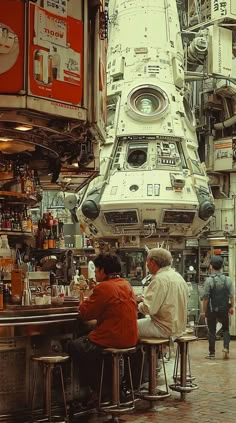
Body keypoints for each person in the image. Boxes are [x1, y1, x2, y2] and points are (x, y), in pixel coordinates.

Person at [67, 254, 138, 402]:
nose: (95, 273)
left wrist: (87, 297)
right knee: (95, 350)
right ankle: (116, 389)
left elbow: (84, 313)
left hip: (112, 338)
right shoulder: (126, 284)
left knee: (75, 346)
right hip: (130, 339)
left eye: (97, 270)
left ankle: (100, 390)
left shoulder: (104, 287)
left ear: (103, 270)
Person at [137, 247, 189, 337]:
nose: (147, 265)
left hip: (163, 328)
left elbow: (149, 309)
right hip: (179, 328)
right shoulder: (178, 277)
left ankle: (140, 351)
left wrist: (139, 303)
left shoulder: (159, 279)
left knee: (129, 327)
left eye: (147, 262)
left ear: (153, 262)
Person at [202, 255, 234, 359]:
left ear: (211, 266)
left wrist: (204, 311)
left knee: (212, 331)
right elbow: (232, 295)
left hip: (212, 309)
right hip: (224, 308)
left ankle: (212, 354)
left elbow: (205, 298)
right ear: (222, 266)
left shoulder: (209, 281)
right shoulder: (228, 280)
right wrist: (232, 307)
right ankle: (226, 348)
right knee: (225, 329)